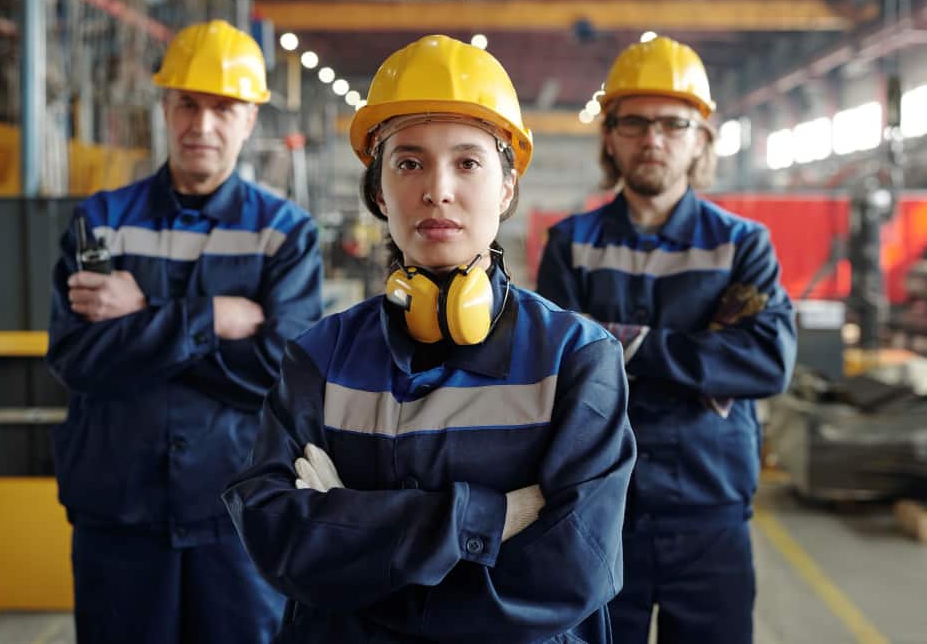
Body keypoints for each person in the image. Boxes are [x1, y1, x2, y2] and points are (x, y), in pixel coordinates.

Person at [223, 34, 636, 643]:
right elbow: (275, 533)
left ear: (506, 187)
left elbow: (572, 571)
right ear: (378, 191)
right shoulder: (320, 356)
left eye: (467, 162)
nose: (436, 189)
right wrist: (488, 519)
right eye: (409, 162)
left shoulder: (575, 358)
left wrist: (355, 532)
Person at [46, 20, 323, 643]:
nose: (203, 125)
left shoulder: (285, 232)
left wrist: (143, 316)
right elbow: (77, 358)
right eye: (188, 105)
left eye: (223, 108)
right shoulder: (101, 223)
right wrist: (213, 318)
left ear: (250, 118)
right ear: (165, 108)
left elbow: (283, 370)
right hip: (119, 513)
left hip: (238, 516)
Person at [537, 36, 797, 644]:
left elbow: (766, 361)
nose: (652, 139)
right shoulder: (571, 245)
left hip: (710, 506)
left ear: (701, 138)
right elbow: (555, 374)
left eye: (672, 123)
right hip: (599, 507)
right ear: (610, 135)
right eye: (634, 122)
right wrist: (703, 362)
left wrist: (624, 345)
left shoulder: (742, 245)